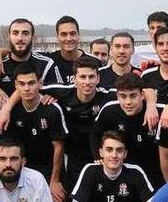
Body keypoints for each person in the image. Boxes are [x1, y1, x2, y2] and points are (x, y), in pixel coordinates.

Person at [42, 55, 116, 191]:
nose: (87, 82)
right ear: (74, 79)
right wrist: (7, 108)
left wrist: (152, 105)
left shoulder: (108, 94)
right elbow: (31, 87)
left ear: (98, 79)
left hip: (99, 154)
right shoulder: (63, 92)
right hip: (72, 156)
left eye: (91, 77)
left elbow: (142, 90)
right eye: (82, 77)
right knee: (74, 193)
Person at [2, 62, 69, 202]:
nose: (27, 88)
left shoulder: (51, 109)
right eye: (22, 84)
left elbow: (59, 147)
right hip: (24, 166)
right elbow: (10, 146)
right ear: (16, 85)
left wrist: (55, 180)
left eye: (31, 83)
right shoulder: (12, 111)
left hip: (49, 167)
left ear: (39, 83)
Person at [93, 73, 164, 189]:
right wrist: (98, 157)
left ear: (142, 95)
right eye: (123, 96)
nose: (128, 102)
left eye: (133, 96)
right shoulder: (109, 110)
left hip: (155, 171)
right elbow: (95, 134)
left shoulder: (159, 111)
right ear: (117, 95)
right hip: (124, 172)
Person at [0, 18, 58, 105]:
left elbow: (59, 92)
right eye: (15, 33)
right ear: (9, 36)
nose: (20, 38)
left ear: (33, 37)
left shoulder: (46, 64)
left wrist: (53, 96)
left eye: (25, 33)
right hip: (6, 117)